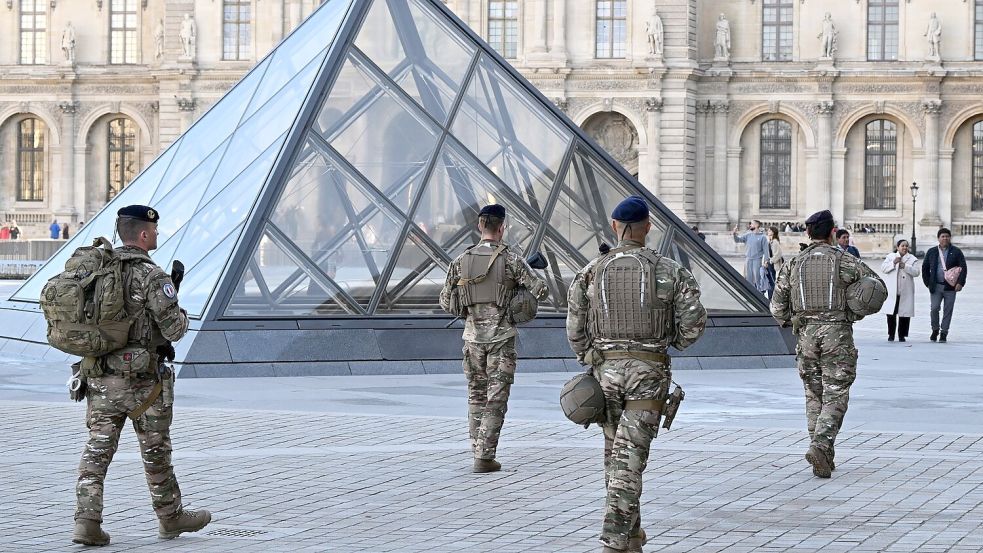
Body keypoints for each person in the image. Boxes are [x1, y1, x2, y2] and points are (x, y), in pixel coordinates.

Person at [567, 196, 707, 553]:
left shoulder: (590, 272)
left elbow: (575, 329)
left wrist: (594, 359)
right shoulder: (670, 271)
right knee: (630, 456)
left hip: (606, 375)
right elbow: (694, 325)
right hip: (648, 373)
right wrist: (665, 343)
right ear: (648, 228)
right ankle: (615, 539)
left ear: (614, 227)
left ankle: (632, 535)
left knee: (617, 453)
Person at [72, 205, 211, 546]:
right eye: (156, 230)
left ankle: (86, 522)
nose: (158, 235)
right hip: (143, 383)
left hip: (100, 375)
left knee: (97, 451)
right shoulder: (153, 276)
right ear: (145, 234)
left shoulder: (98, 270)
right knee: (155, 450)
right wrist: (181, 311)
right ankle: (170, 517)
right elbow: (174, 329)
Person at [771, 210, 880, 478]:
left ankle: (822, 452)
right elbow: (876, 288)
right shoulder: (846, 261)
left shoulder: (793, 264)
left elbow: (776, 307)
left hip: (806, 336)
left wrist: (792, 321)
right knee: (836, 393)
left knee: (813, 394)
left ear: (808, 233)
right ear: (832, 232)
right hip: (837, 335)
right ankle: (821, 445)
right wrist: (853, 310)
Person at [439, 204, 548, 473]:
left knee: (476, 396)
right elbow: (542, 291)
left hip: (472, 340)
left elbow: (444, 301)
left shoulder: (461, 261)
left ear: (480, 226)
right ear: (502, 228)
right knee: (495, 398)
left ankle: (477, 447)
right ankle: (485, 456)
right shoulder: (511, 260)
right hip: (501, 339)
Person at [921, 228, 968, 343]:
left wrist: (960, 283)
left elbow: (963, 268)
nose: (945, 238)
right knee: (934, 308)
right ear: (938, 238)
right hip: (936, 286)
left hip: (951, 287)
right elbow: (925, 268)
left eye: (947, 236)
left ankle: (944, 332)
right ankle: (935, 329)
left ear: (950, 238)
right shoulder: (932, 251)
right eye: (943, 236)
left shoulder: (956, 251)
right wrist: (928, 283)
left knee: (948, 310)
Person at [881, 239, 919, 342]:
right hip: (893, 291)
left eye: (906, 246)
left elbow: (916, 272)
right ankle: (891, 334)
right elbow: (883, 268)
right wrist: (893, 263)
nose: (905, 248)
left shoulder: (912, 259)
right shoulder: (890, 257)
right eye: (902, 245)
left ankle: (902, 335)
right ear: (897, 247)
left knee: (904, 314)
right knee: (891, 314)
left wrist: (905, 266)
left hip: (905, 291)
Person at [733, 220, 768, 290]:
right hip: (748, 260)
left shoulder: (763, 237)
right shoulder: (748, 235)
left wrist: (766, 261)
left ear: (756, 225)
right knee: (748, 279)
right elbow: (738, 240)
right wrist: (734, 233)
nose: (750, 225)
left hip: (757, 260)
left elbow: (766, 250)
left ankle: (759, 295)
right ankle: (750, 295)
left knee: (757, 279)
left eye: (751, 224)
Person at [763, 226, 784, 299]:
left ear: (773, 232)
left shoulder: (775, 242)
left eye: (769, 231)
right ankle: (771, 297)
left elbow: (778, 254)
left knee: (772, 282)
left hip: (773, 265)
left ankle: (772, 298)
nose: (768, 232)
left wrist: (770, 261)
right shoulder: (771, 241)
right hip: (770, 264)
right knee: (770, 281)